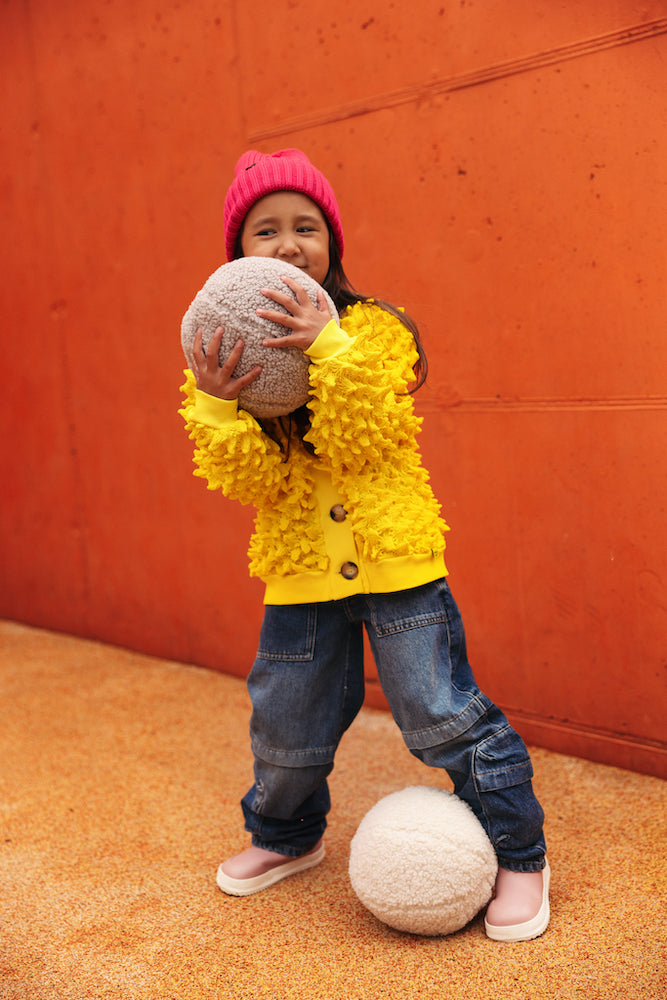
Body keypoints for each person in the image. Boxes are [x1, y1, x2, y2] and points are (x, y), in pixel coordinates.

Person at [179, 148, 550, 942]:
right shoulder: (224, 360)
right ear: (236, 255)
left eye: (304, 227)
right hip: (301, 573)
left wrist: (327, 344)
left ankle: (520, 854)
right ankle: (284, 838)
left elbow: (370, 434)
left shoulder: (371, 330)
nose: (286, 243)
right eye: (263, 230)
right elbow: (251, 483)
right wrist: (216, 407)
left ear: (331, 243)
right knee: (285, 728)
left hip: (396, 564)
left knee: (439, 714)